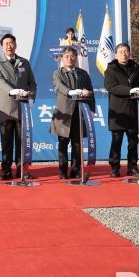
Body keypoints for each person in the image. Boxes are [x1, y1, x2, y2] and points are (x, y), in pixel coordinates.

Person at [0, 33, 37, 180]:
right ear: (2, 47)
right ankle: (6, 171)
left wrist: (31, 98)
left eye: (11, 43)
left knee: (22, 141)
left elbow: (32, 83)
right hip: (5, 107)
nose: (9, 46)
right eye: (6, 44)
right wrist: (12, 91)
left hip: (22, 108)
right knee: (6, 142)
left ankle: (22, 170)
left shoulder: (24, 62)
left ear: (16, 45)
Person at [103, 43, 139, 177]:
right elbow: (111, 87)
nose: (124, 54)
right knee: (116, 141)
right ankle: (114, 167)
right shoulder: (111, 69)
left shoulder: (135, 68)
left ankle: (132, 166)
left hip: (133, 110)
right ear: (116, 55)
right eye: (121, 52)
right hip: (119, 110)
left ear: (130, 53)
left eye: (126, 51)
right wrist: (130, 90)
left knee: (133, 141)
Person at [51, 46, 94, 179]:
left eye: (72, 56)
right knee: (63, 144)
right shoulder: (58, 73)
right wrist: (71, 92)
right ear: (62, 59)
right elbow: (59, 86)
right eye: (66, 56)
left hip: (79, 113)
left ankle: (76, 170)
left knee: (77, 144)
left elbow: (91, 92)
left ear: (76, 58)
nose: (69, 59)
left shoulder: (83, 73)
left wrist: (92, 109)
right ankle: (62, 171)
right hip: (63, 114)